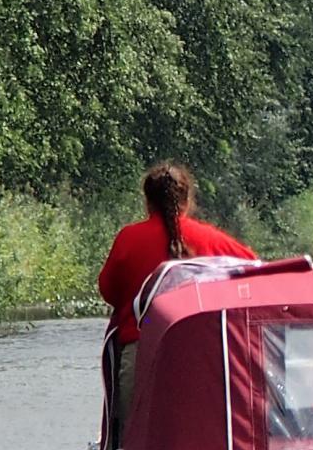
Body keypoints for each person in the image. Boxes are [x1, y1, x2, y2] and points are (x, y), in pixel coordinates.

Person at [97, 162, 256, 435]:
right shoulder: (214, 241)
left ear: (148, 202)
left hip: (141, 354)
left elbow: (109, 291)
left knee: (133, 446)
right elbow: (256, 272)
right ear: (188, 200)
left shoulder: (129, 239)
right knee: (200, 442)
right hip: (203, 356)